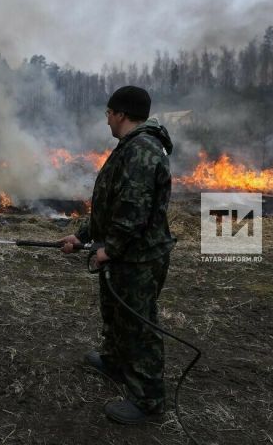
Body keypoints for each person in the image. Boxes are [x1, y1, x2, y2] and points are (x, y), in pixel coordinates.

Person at [61, 85, 176, 424]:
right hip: (126, 253)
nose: (107, 120)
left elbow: (133, 210)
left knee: (139, 325)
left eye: (109, 113)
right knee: (115, 313)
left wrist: (109, 250)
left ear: (121, 114)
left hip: (137, 258)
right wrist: (83, 236)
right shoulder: (131, 147)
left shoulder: (142, 151)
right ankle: (114, 361)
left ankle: (148, 402)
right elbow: (112, 204)